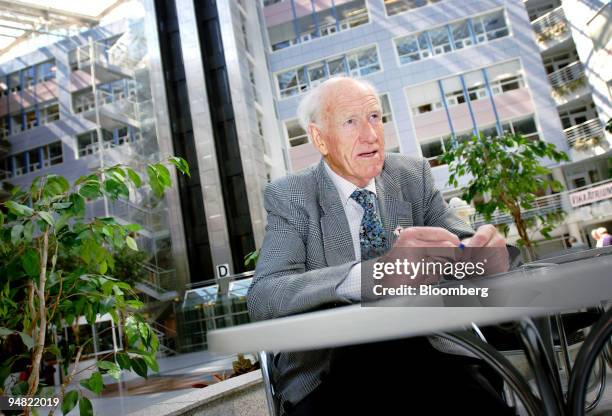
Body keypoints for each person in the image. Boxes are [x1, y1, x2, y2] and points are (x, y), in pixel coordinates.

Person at [247, 77, 513, 415]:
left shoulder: (411, 175)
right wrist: (372, 277)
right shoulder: (291, 197)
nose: (371, 135)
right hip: (333, 369)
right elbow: (264, 296)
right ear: (319, 138)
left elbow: (462, 247)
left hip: (431, 352)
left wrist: (482, 257)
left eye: (375, 117)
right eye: (350, 122)